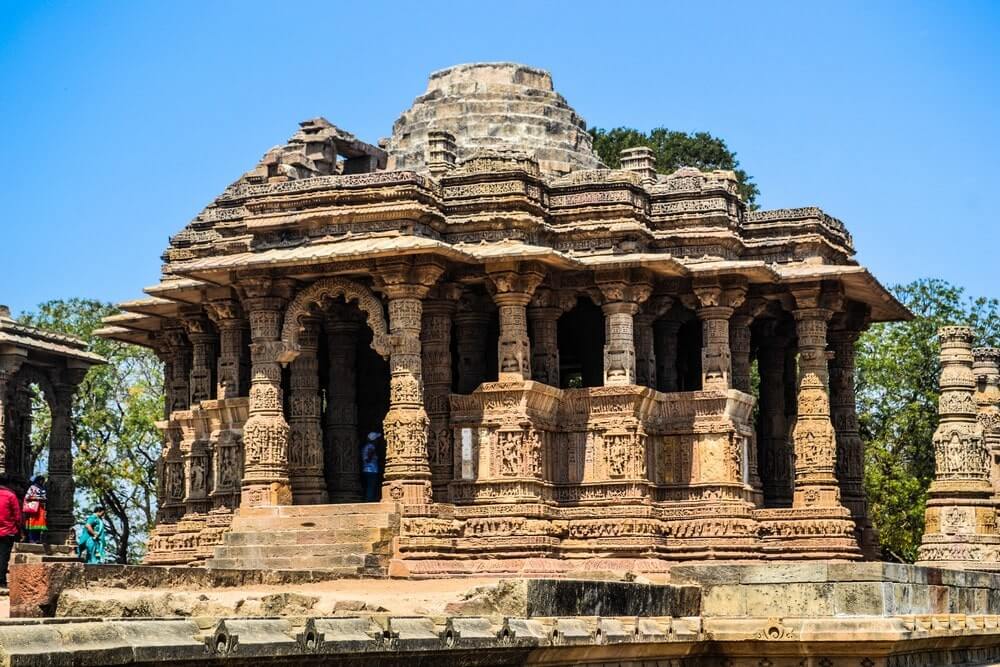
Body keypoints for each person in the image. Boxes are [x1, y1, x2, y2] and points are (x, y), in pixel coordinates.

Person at [0, 476, 23, 588]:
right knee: (3, 556)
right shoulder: (10, 496)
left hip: (6, 530)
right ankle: (1, 580)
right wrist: (19, 529)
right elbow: (17, 516)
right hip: (7, 531)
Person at [23, 475, 47, 544]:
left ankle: (37, 539)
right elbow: (27, 497)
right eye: (41, 480)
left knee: (40, 524)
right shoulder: (32, 487)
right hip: (34, 508)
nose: (42, 482)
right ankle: (31, 539)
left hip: (41, 508)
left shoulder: (42, 488)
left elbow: (44, 497)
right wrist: (37, 498)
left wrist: (43, 499)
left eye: (43, 480)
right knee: (32, 524)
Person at [361, 432, 381, 502]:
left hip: (367, 469)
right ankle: (369, 500)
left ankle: (369, 498)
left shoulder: (366, 447)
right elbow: (367, 459)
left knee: (369, 486)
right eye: (376, 439)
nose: (377, 441)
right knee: (371, 486)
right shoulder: (371, 447)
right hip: (371, 470)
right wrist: (372, 453)